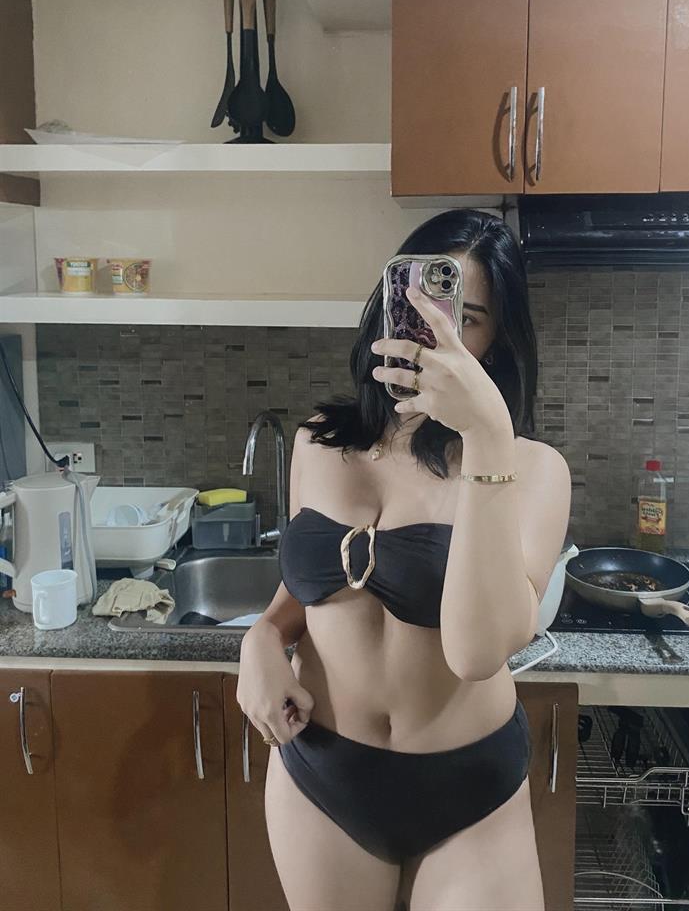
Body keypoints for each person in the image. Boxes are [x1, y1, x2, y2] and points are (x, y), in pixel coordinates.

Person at [237, 208, 571, 911]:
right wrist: (262, 637)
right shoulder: (318, 442)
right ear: (386, 306)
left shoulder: (533, 469)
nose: (433, 334)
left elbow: (477, 652)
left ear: (497, 340)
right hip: (321, 772)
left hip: (469, 793)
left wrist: (485, 434)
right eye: (417, 306)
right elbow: (312, 586)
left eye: (464, 318)